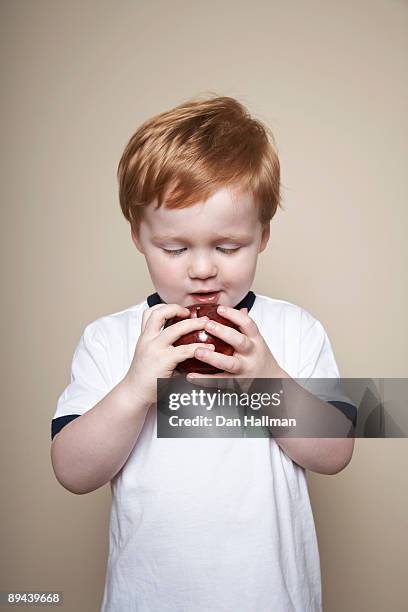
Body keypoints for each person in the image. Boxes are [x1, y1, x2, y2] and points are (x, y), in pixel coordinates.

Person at [50, 95, 357, 611]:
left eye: (227, 246)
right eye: (174, 248)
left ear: (262, 235)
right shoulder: (109, 339)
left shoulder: (293, 329)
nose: (201, 269)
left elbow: (337, 451)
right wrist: (133, 392)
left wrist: (266, 379)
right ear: (138, 237)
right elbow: (72, 472)